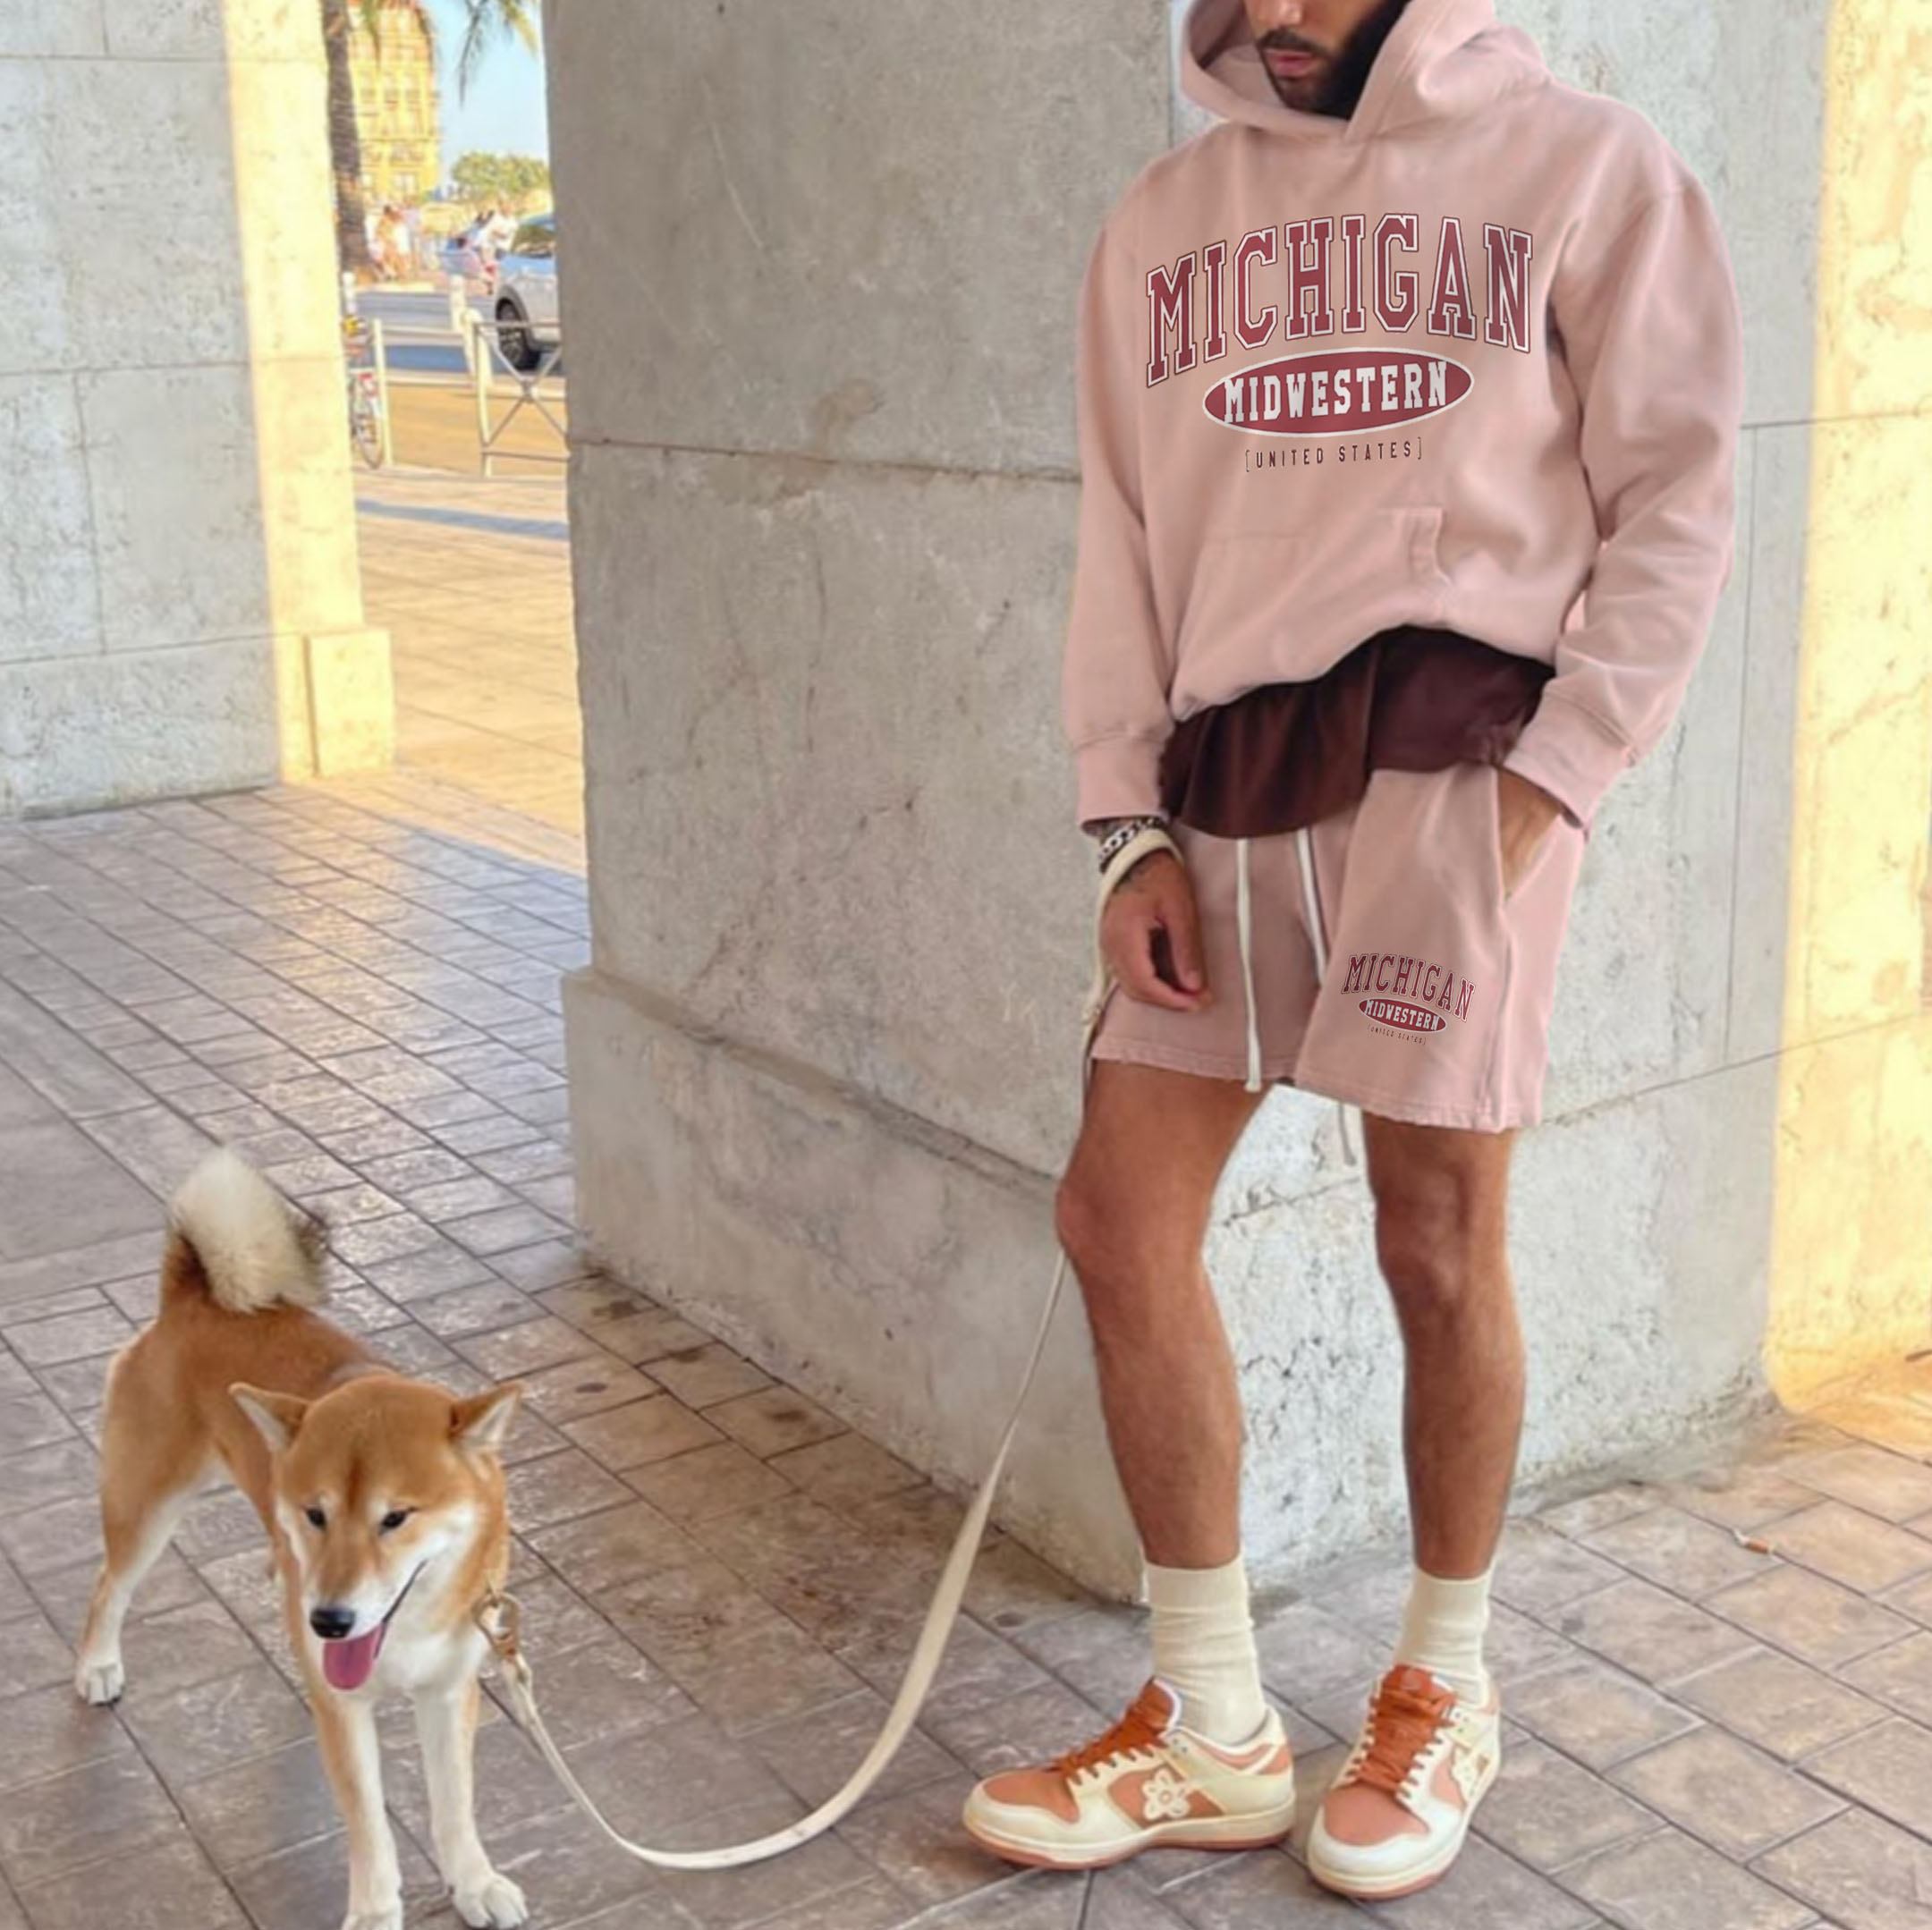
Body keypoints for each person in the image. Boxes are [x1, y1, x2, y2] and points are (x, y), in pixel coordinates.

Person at [961, 0, 1742, 1901]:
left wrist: (1547, 790)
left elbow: (1680, 494)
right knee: (1114, 1215)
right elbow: (1123, 540)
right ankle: (1215, 1720)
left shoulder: (1588, 170)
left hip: (1453, 768)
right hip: (1219, 781)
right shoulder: (1162, 221)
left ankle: (1447, 1683)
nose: (1270, 17)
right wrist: (1122, 815)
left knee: (1435, 1236)